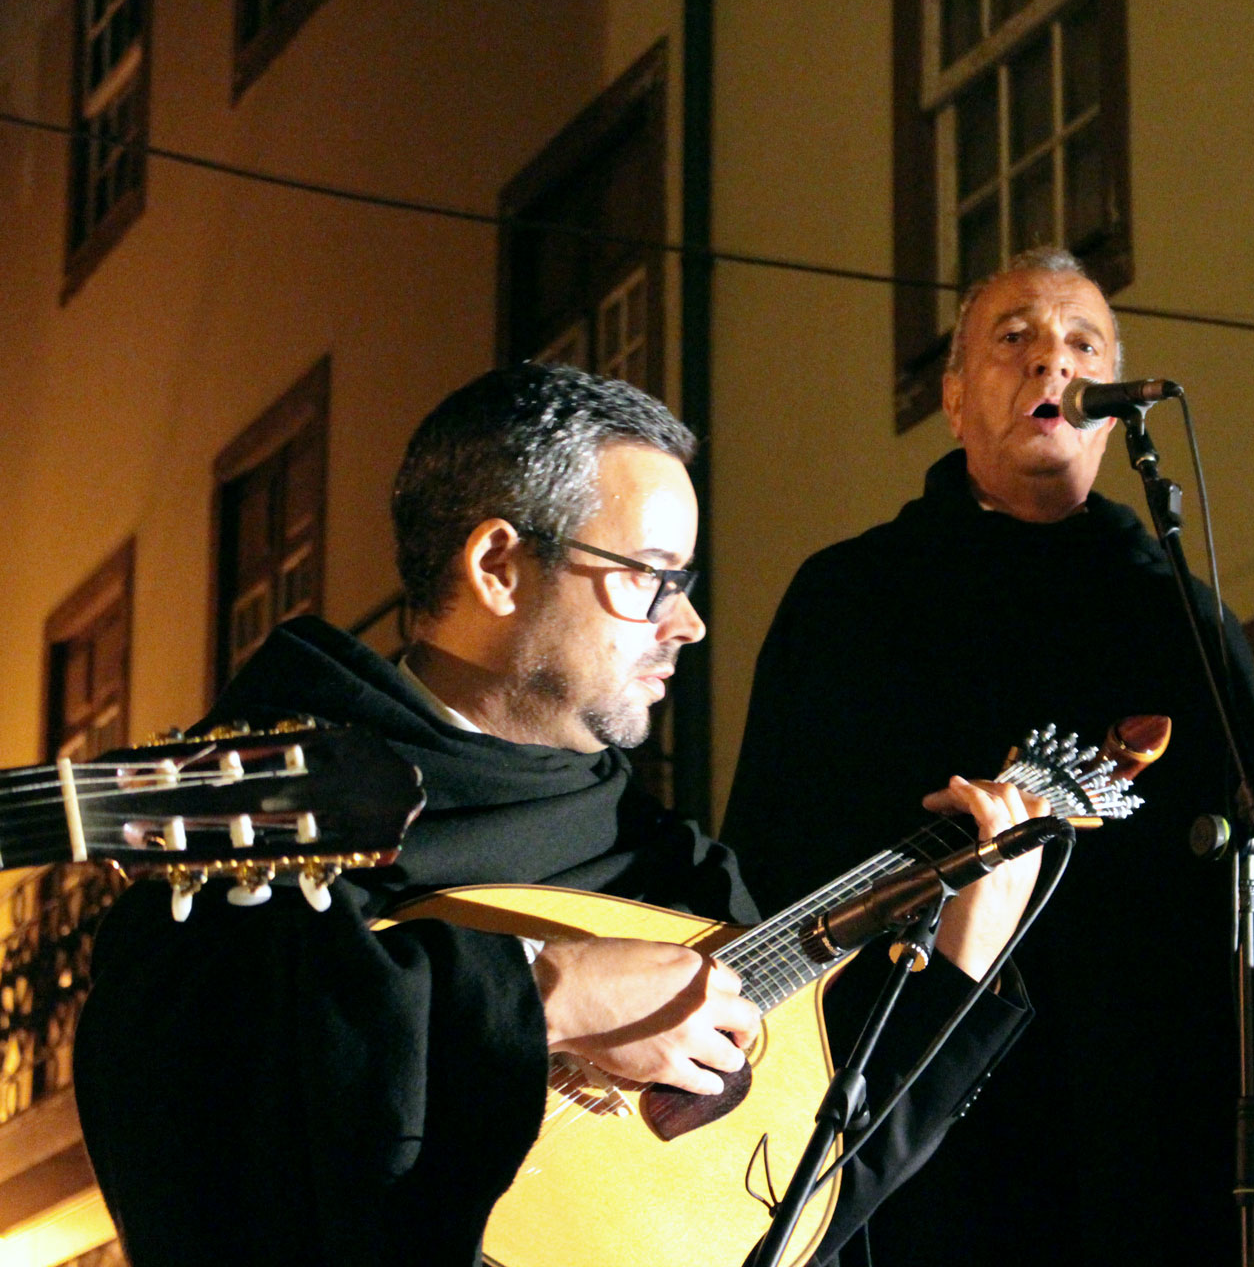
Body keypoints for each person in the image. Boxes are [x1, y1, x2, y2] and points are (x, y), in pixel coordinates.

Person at [73, 364, 1045, 1267]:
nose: (689, 622)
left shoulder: (672, 872)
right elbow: (208, 1111)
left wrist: (957, 972)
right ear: (499, 564)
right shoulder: (246, 803)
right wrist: (547, 994)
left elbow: (783, 1210)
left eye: (688, 581)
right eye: (650, 573)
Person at [723, 248, 1254, 1266]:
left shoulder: (1187, 625)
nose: (1050, 365)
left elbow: (1249, 953)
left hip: (1147, 1133)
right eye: (1013, 339)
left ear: (1110, 408)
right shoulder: (852, 601)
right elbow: (777, 865)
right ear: (953, 398)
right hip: (928, 1121)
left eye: (1082, 346)